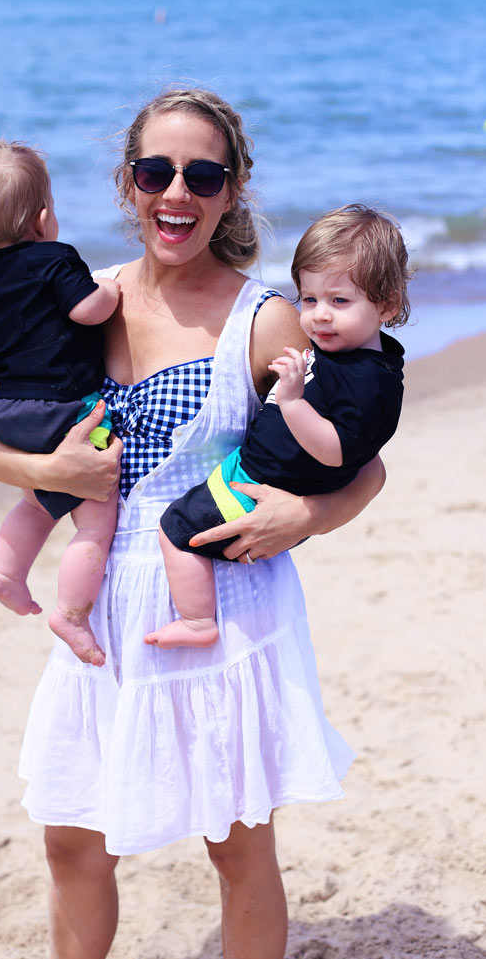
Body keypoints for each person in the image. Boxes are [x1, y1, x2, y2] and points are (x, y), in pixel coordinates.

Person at [0, 89, 387, 959]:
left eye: (202, 174)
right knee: (68, 829)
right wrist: (46, 472)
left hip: (222, 606)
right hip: (104, 601)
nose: (176, 193)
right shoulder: (82, 298)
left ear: (232, 192)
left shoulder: (265, 321)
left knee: (234, 842)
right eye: (155, 173)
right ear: (127, 184)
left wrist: (301, 515)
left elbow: (363, 463)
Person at [147, 204, 409, 649]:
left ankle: (196, 621)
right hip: (250, 472)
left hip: (259, 492)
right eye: (308, 299)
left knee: (175, 529)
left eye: (338, 301)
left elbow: (339, 451)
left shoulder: (371, 379)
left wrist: (289, 401)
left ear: (386, 305)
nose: (319, 315)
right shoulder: (347, 355)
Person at [0, 139, 120, 667]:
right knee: (95, 520)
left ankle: (7, 573)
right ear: (44, 218)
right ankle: (71, 613)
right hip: (64, 410)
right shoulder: (54, 258)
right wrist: (111, 291)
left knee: (35, 503)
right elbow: (89, 310)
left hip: (6, 415)